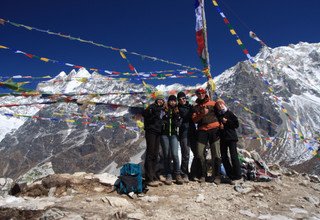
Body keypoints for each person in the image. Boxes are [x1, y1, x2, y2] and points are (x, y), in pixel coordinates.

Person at [192, 88, 221, 183]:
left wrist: (222, 124)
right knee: (200, 153)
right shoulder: (195, 107)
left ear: (205, 93)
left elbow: (220, 114)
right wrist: (201, 114)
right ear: (196, 95)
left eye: (202, 93)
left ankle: (216, 176)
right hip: (202, 130)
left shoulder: (213, 103)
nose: (200, 95)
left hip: (214, 129)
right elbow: (194, 119)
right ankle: (203, 175)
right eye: (198, 93)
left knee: (216, 153)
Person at [215, 99, 242, 183]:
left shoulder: (230, 113)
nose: (220, 106)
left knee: (233, 156)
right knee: (224, 157)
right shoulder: (218, 116)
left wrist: (227, 122)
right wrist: (220, 128)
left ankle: (238, 175)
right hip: (223, 138)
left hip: (231, 138)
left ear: (224, 104)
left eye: (221, 104)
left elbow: (236, 124)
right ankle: (230, 175)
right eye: (218, 105)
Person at [142, 94, 165, 187]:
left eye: (162, 100)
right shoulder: (151, 107)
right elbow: (145, 114)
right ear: (156, 100)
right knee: (150, 153)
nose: (160, 101)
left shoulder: (162, 110)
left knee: (155, 154)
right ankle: (149, 178)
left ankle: (154, 175)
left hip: (158, 132)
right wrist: (151, 112)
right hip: (151, 131)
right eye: (159, 100)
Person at [160, 95, 184, 185]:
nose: (172, 102)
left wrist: (177, 118)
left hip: (174, 135)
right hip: (164, 135)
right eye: (171, 101)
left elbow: (179, 123)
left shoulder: (177, 110)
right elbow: (159, 119)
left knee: (175, 154)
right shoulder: (163, 110)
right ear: (168, 101)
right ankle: (168, 175)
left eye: (174, 101)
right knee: (167, 155)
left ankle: (177, 174)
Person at [177, 91, 199, 182]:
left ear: (186, 98)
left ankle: (193, 173)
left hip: (193, 132)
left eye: (183, 98)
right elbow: (183, 118)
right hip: (183, 133)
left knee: (197, 153)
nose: (182, 100)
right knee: (185, 154)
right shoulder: (177, 109)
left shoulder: (191, 107)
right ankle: (184, 173)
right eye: (180, 99)